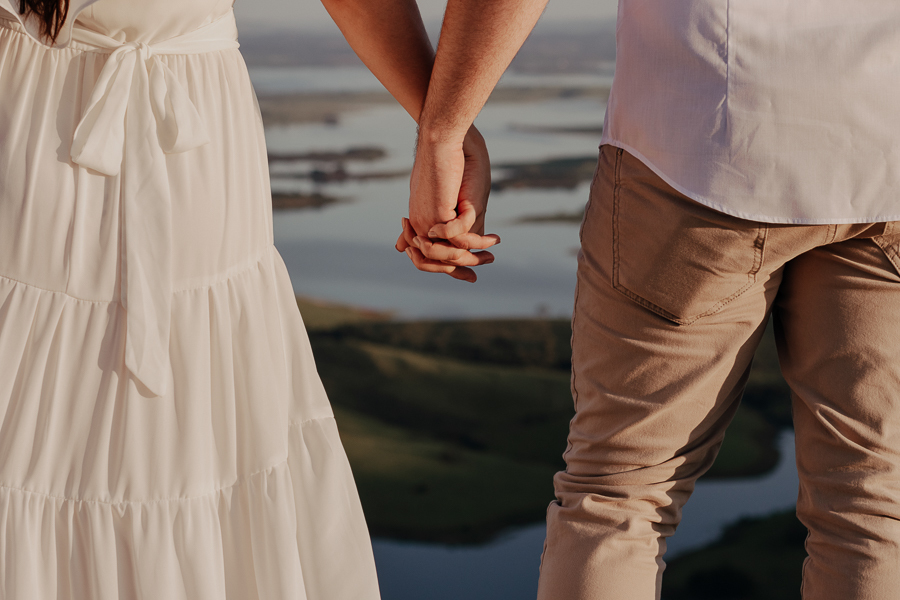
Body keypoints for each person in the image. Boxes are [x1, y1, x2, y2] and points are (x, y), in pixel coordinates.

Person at [397, 1, 900, 599]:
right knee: (874, 507)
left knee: (617, 498)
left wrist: (444, 130)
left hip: (697, 140)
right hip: (888, 148)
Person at [0, 0, 472, 596]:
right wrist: (443, 130)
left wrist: (443, 129)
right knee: (194, 443)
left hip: (62, 124)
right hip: (173, 137)